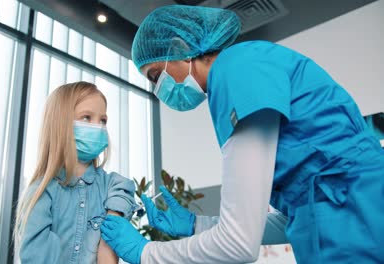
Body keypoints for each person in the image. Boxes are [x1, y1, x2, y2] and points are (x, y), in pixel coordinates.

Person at [99, 5, 384, 264]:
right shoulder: (246, 64)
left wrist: (145, 253)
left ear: (179, 47)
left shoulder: (235, 70)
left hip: (358, 235)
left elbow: (238, 244)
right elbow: (297, 216)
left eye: (154, 75)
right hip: (356, 225)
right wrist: (196, 224)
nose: (158, 89)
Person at [14, 82, 137, 263]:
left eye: (103, 120)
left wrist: (112, 222)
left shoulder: (110, 184)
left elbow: (124, 189)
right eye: (86, 118)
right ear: (60, 124)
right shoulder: (42, 192)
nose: (98, 127)